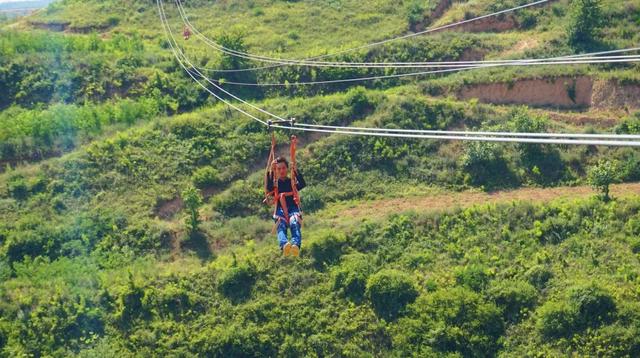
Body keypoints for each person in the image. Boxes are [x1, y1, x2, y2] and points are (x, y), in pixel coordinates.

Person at [266, 156, 306, 257]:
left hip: (293, 208)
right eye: (278, 169)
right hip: (280, 210)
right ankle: (284, 244)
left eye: (283, 168)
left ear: (287, 168)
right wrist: (271, 171)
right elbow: (268, 188)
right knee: (281, 224)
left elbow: (302, 184)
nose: (281, 171)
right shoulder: (276, 185)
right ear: (276, 170)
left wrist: (295, 170)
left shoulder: (291, 182)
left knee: (294, 222)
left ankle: (296, 244)